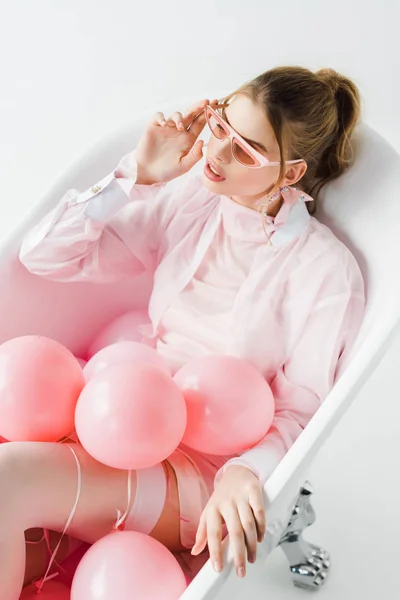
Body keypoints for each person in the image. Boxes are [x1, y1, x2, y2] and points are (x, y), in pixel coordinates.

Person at [1, 65, 365, 597]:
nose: (217, 154)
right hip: (120, 415)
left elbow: (304, 407)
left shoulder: (324, 270)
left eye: (246, 150)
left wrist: (248, 473)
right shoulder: (194, 200)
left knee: (7, 481)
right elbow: (43, 257)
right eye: (220, 127)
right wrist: (137, 174)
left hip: (198, 471)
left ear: (291, 174)